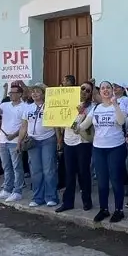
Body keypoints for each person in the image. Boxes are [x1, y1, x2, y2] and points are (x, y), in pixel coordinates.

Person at [79, 81, 128, 223]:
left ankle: (119, 210)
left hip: (116, 147)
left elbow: (121, 121)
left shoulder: (119, 105)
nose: (105, 90)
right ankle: (104, 209)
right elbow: (81, 127)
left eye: (108, 88)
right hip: (99, 148)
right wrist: (79, 114)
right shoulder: (96, 109)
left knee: (115, 179)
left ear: (112, 90)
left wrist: (115, 105)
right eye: (103, 88)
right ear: (99, 92)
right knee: (102, 181)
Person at [57, 82, 94, 213]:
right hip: (68, 142)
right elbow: (61, 122)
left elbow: (81, 126)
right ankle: (68, 202)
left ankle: (86, 201)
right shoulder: (68, 102)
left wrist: (81, 113)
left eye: (88, 90)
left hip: (82, 143)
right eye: (82, 88)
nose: (84, 91)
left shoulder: (91, 108)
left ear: (90, 94)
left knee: (84, 173)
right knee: (69, 173)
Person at [0, 82, 29, 202]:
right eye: (10, 93)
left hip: (15, 140)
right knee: (6, 166)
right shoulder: (4, 105)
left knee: (16, 166)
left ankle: (17, 191)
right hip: (2, 140)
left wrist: (14, 135)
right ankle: (7, 189)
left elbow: (24, 125)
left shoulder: (25, 106)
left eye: (13, 93)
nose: (11, 95)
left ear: (20, 94)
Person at [22, 83, 58, 207]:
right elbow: (24, 125)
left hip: (48, 139)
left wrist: (59, 140)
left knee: (49, 170)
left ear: (43, 93)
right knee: (36, 171)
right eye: (33, 92)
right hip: (32, 141)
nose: (35, 94)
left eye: (38, 91)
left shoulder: (50, 105)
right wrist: (19, 141)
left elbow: (56, 124)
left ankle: (51, 197)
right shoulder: (28, 108)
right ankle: (38, 197)